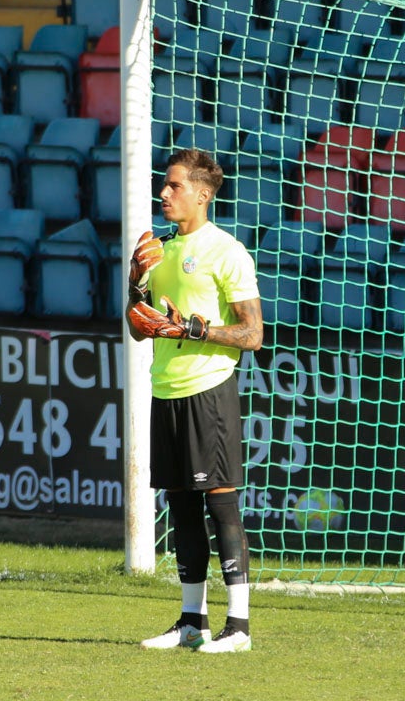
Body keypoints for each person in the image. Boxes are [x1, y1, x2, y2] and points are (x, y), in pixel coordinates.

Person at [126, 148, 264, 653]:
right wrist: (135, 288)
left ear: (203, 194)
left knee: (221, 506)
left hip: (209, 390)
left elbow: (253, 335)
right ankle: (191, 622)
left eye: (175, 185)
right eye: (165, 185)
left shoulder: (227, 251)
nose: (164, 193)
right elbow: (139, 329)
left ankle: (240, 628)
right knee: (181, 507)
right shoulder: (156, 251)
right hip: (166, 389)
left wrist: (197, 327)